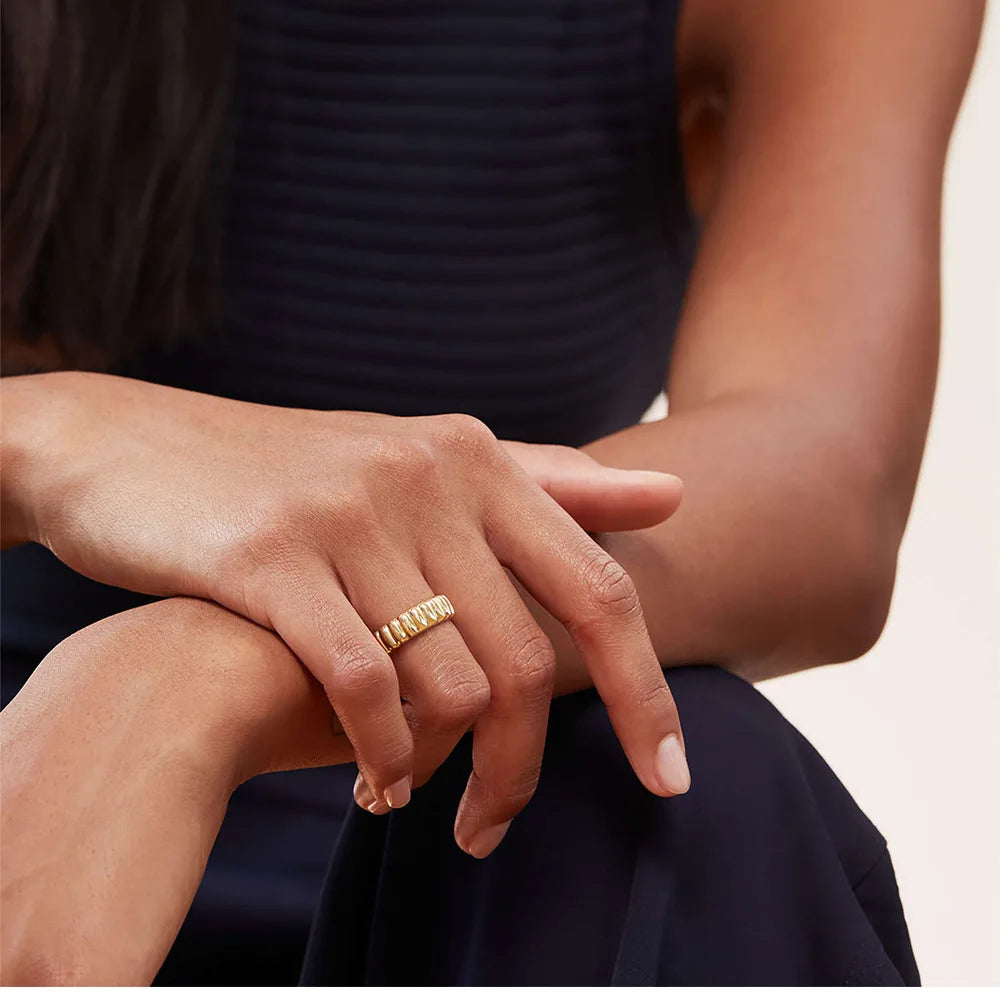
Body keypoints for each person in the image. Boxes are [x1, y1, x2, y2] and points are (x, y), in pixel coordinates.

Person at [0, 0, 983, 986]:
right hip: (23, 783)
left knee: (687, 770)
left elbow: (822, 484)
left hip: (459, 855)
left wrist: (208, 662)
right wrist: (49, 438)